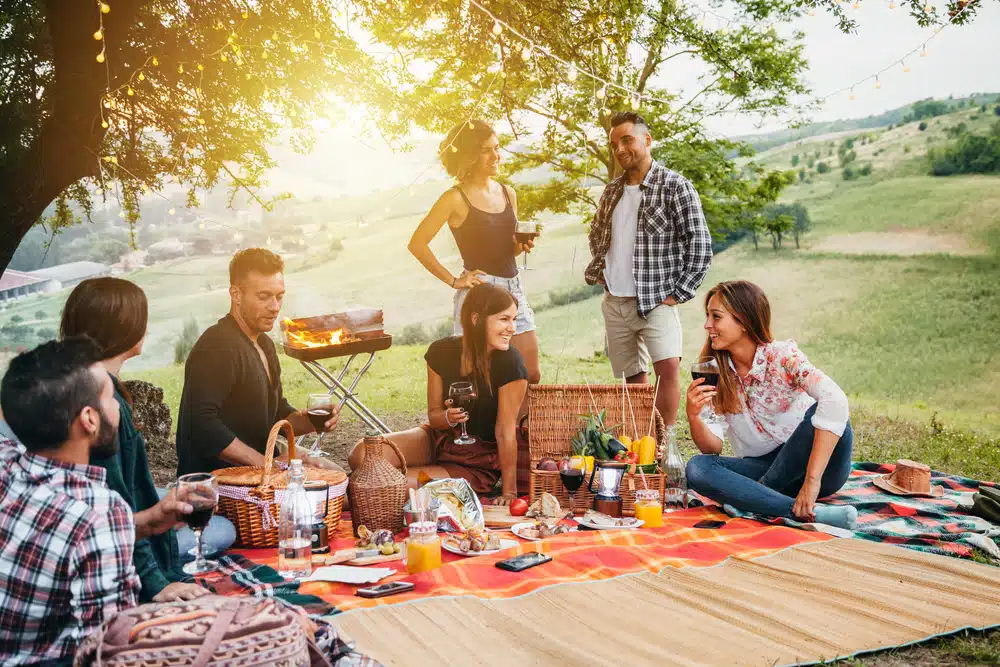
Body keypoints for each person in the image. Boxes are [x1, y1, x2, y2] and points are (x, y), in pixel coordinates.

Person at [0, 339, 191, 665]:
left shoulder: (6, 461)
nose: (119, 407)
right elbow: (109, 650)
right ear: (89, 419)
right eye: (109, 397)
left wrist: (147, 522)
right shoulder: (101, 514)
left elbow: (64, 535)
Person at [60, 277, 227, 597]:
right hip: (117, 546)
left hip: (112, 528)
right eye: (142, 319)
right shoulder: (105, 405)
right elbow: (116, 505)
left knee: (202, 515)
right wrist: (157, 584)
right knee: (221, 529)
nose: (146, 328)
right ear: (123, 327)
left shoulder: (81, 383)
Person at [684, 280, 857, 530]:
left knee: (823, 408)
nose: (707, 325)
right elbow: (713, 447)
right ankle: (800, 511)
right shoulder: (716, 372)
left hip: (816, 467)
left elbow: (836, 398)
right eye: (707, 316)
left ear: (743, 320)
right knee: (698, 467)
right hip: (761, 467)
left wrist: (811, 482)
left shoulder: (782, 357)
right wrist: (694, 417)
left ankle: (757, 497)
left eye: (716, 316)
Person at [584, 111, 713, 427]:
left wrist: (679, 292)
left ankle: (664, 443)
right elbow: (596, 232)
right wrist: (601, 267)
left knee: (667, 369)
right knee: (632, 377)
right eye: (615, 144)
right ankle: (643, 442)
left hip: (656, 298)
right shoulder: (611, 191)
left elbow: (699, 244)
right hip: (615, 302)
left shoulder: (675, 186)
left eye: (627, 139)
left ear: (647, 139)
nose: (620, 149)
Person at [348, 284, 528, 501]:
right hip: (438, 440)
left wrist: (509, 492)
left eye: (514, 320)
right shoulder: (441, 352)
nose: (512, 328)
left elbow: (505, 431)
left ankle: (343, 494)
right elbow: (434, 416)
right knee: (360, 455)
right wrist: (446, 417)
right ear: (476, 319)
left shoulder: (510, 362)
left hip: (475, 460)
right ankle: (352, 490)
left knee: (388, 487)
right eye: (504, 319)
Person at [176, 248, 340, 477]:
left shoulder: (264, 344)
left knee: (340, 477)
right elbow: (202, 426)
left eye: (279, 296)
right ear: (236, 294)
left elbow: (276, 414)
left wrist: (314, 421)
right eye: (264, 297)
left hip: (262, 465)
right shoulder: (217, 346)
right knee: (337, 492)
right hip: (222, 479)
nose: (275, 307)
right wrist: (268, 466)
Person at [408, 119, 541, 387]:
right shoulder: (454, 198)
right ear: (469, 155)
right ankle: (485, 429)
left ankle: (518, 429)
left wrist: (521, 245)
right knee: (481, 378)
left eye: (497, 147)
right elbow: (417, 243)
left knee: (530, 374)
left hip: (512, 289)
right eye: (486, 150)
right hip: (480, 294)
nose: (496, 156)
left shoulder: (507, 192)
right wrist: (454, 281)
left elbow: (507, 251)